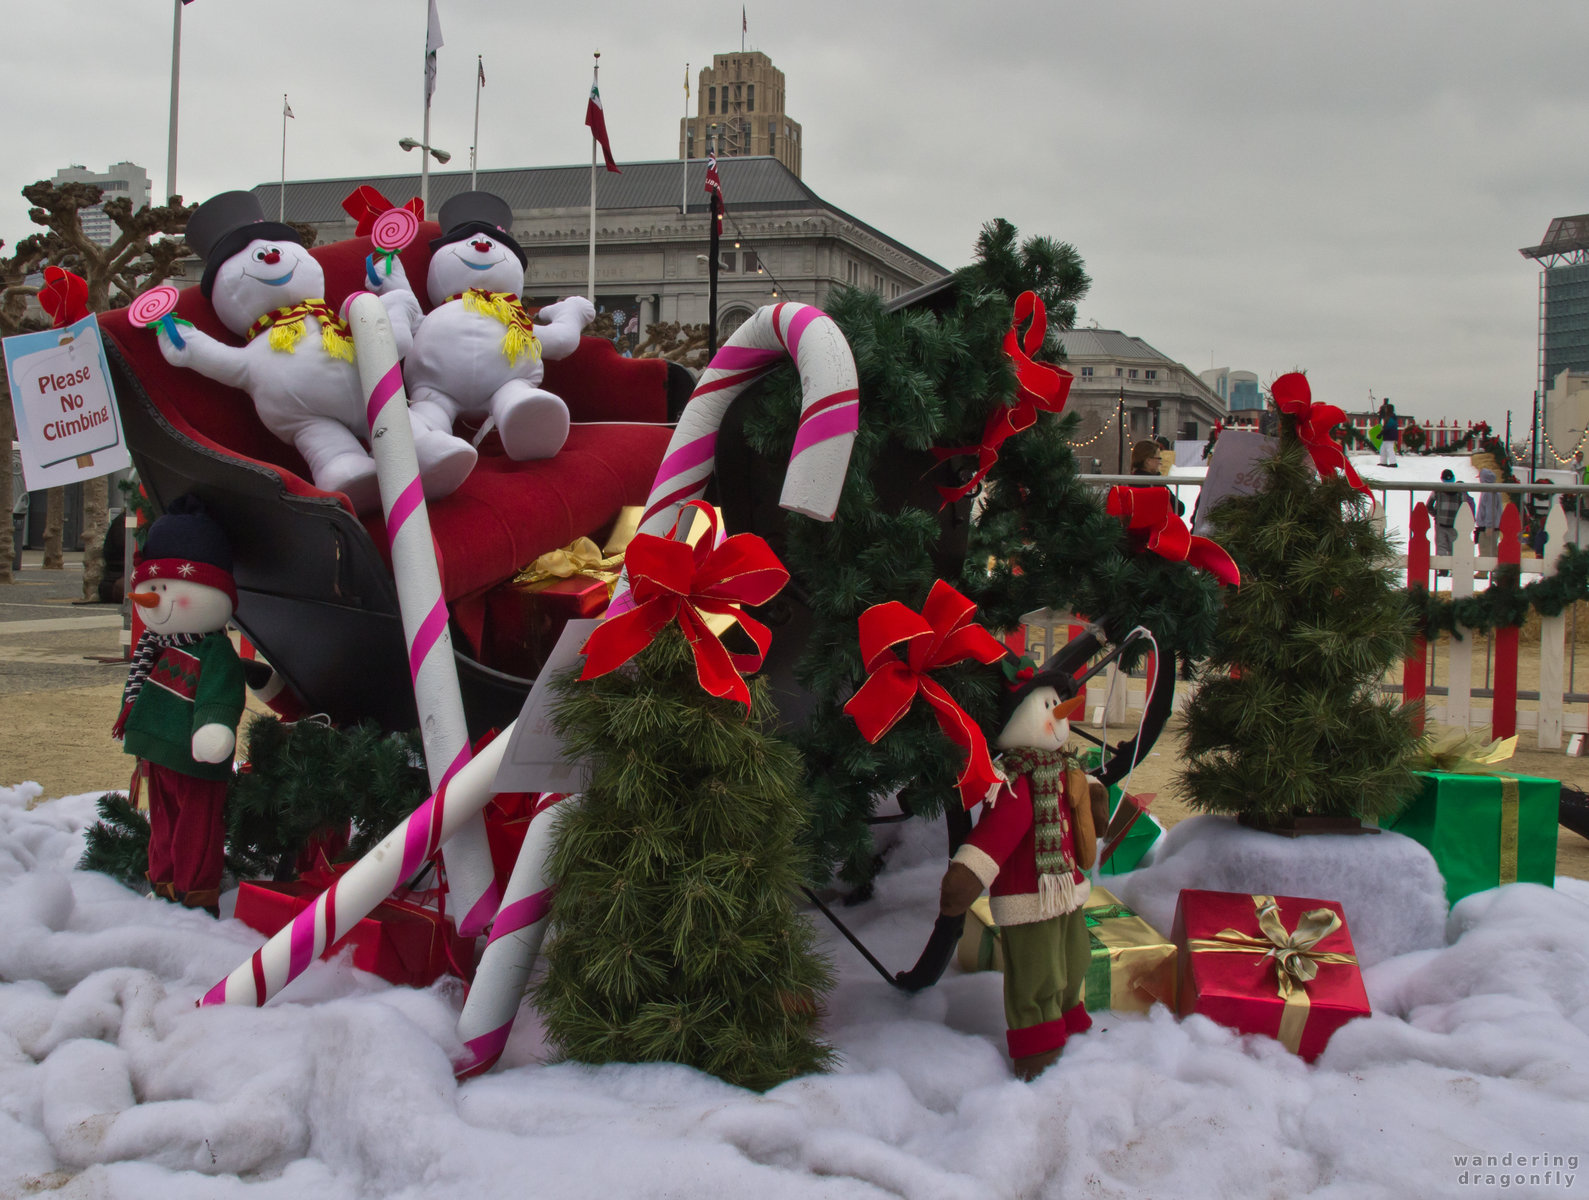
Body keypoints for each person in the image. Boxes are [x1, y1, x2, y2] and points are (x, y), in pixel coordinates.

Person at [1426, 469, 1473, 568]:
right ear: (1453, 478)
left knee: (1441, 546)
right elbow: (1464, 507)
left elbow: (1428, 505)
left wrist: (1436, 514)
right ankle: (1453, 567)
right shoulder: (1460, 491)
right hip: (1455, 524)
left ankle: (1442, 567)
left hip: (1440, 523)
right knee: (1454, 547)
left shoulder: (1437, 490)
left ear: (1442, 479)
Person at [1377, 398, 1399, 467]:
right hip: (1387, 436)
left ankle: (1393, 462)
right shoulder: (1389, 417)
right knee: (1383, 449)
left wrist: (1381, 433)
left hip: (1390, 436)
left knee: (1390, 449)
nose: (1385, 410)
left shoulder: (1391, 417)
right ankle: (1383, 462)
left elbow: (1388, 427)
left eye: (1386, 409)